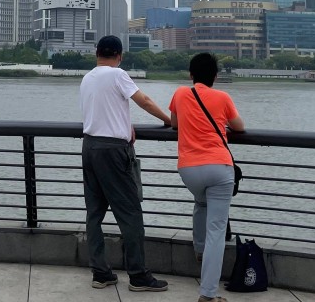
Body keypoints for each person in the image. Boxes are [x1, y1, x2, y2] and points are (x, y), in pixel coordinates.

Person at [80, 35, 172, 292]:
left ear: (96, 53)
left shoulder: (87, 78)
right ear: (119, 55)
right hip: (113, 151)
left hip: (90, 147)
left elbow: (101, 110)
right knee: (130, 213)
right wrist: (170, 121)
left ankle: (100, 273)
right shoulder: (117, 74)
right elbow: (144, 101)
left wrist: (124, 124)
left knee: (94, 213)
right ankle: (138, 275)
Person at [168, 53, 246, 302]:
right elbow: (239, 127)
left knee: (201, 203)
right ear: (215, 76)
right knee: (217, 230)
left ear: (191, 75)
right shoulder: (223, 97)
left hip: (188, 169)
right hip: (218, 167)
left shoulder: (181, 93)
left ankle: (200, 251)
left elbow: (174, 123)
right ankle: (208, 295)